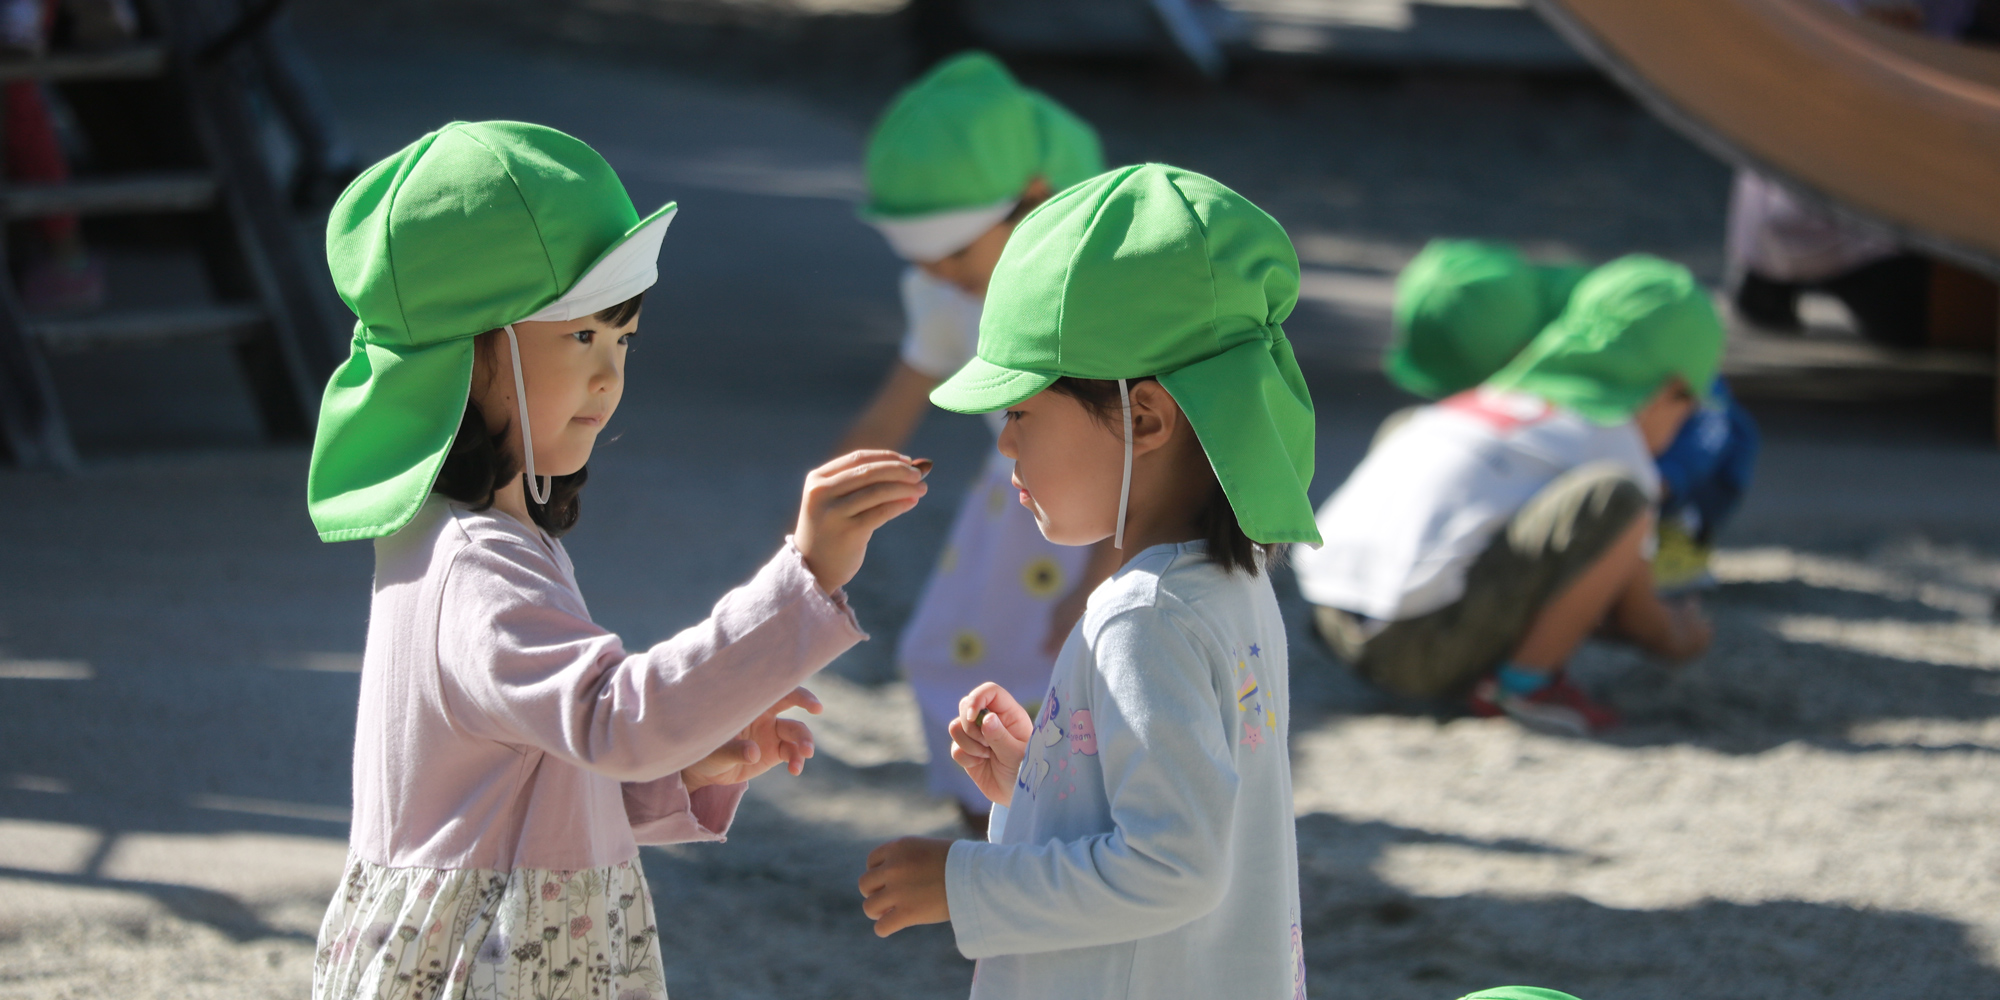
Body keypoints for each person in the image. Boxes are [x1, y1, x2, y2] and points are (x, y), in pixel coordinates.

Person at [304, 121, 927, 1000]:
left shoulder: (476, 540)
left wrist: (686, 765)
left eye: (621, 339)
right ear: (472, 352)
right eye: (579, 338)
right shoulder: (481, 570)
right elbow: (616, 721)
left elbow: (531, 774)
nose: (609, 377)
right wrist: (807, 575)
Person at [856, 164, 1321, 1000]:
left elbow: (1172, 867)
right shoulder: (1226, 584)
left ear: (1144, 416)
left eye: (1022, 414)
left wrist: (964, 886)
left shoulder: (1145, 613)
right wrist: (1041, 779)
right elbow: (1183, 807)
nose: (1004, 446)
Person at [844, 49, 1117, 832]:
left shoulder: (1091, 300)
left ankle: (1055, 829)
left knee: (1073, 672)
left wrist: (1100, 575)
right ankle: (991, 816)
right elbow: (891, 410)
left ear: (1034, 200)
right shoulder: (948, 289)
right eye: (923, 260)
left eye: (956, 253)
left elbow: (1144, 459)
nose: (941, 274)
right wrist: (824, 517)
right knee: (943, 655)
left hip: (1100, 518)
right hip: (1013, 506)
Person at [1293, 256, 1722, 735]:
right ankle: (1526, 686)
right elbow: (1639, 616)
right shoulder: (1613, 438)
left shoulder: (1492, 398)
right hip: (1416, 649)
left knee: (1414, 433)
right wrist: (1680, 636)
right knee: (1617, 500)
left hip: (1329, 617)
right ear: (1672, 392)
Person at [1384, 239, 1759, 591]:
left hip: (1678, 461)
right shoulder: (1503, 307)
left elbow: (1707, 405)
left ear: (1521, 351)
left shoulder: (1619, 317)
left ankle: (1678, 531)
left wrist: (1662, 484)